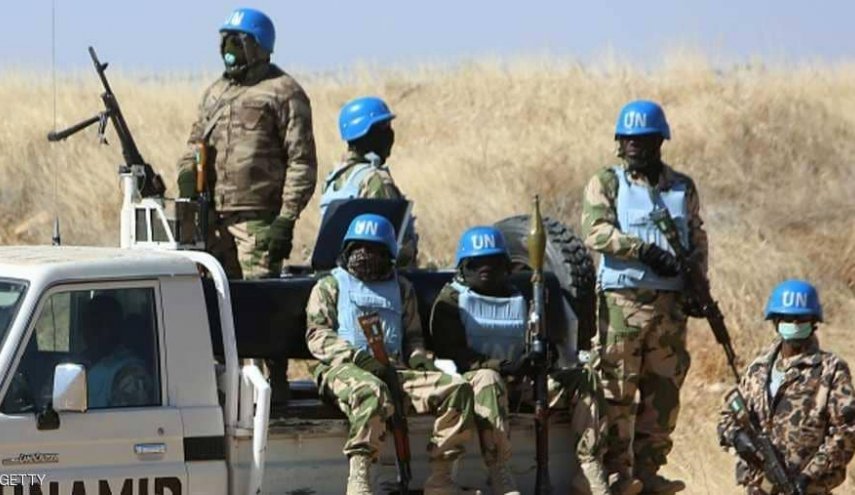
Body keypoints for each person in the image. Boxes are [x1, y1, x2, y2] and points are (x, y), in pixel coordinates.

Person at [581, 100, 708, 494]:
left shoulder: (681, 187)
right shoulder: (607, 182)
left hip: (670, 308)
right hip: (623, 305)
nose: (634, 146)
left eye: (643, 140)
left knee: (663, 393)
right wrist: (641, 249)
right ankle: (617, 473)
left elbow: (696, 237)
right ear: (619, 143)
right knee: (615, 392)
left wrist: (698, 285)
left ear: (659, 141)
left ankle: (648, 471)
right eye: (628, 140)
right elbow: (595, 231)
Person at [430, 226, 616, 495]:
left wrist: (542, 356)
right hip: (474, 389)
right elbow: (456, 355)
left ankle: (589, 468)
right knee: (488, 378)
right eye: (476, 264)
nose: (485, 269)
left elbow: (540, 341)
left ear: (506, 266)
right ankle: (500, 472)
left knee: (583, 377)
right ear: (463, 267)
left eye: (493, 263)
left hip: (523, 384)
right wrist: (503, 367)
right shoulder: (450, 300)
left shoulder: (521, 296)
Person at [305, 213, 475, 495]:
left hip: (394, 369)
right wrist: (357, 358)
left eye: (373, 249)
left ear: (388, 254)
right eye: (358, 247)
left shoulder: (402, 288)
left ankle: (441, 478)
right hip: (343, 369)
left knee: (457, 389)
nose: (364, 255)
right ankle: (359, 479)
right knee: (372, 391)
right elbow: (317, 335)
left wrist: (420, 359)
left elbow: (413, 337)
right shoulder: (329, 286)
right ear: (347, 250)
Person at [176, 7, 317, 279]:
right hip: (210, 220)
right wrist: (187, 176)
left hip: (257, 223)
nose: (230, 49)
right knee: (213, 295)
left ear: (259, 47)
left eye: (239, 41)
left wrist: (286, 219)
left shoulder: (285, 92)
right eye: (226, 40)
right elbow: (194, 145)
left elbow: (301, 161)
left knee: (257, 297)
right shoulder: (215, 93)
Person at [717, 280, 855, 494]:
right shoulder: (758, 369)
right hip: (757, 487)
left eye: (802, 319)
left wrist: (808, 476)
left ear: (814, 322)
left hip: (807, 489)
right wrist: (737, 438)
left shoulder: (831, 369)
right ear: (775, 320)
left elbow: (846, 433)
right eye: (788, 318)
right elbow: (728, 416)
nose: (795, 324)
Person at [319, 96, 418, 268]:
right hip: (374, 275)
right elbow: (394, 246)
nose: (390, 133)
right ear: (367, 133)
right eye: (384, 127)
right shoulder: (375, 179)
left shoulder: (334, 178)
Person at [81, 295, 153, 408]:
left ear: (116, 328)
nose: (91, 331)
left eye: (98, 324)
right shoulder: (82, 361)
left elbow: (131, 417)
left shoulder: (129, 373)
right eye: (89, 324)